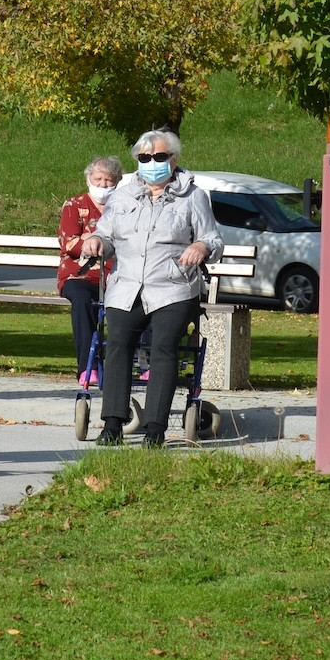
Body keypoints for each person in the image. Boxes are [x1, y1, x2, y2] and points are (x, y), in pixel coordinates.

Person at [80, 130, 222, 447]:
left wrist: (200, 245)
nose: (151, 163)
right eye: (145, 158)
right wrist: (95, 242)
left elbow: (213, 239)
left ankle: (156, 428)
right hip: (127, 286)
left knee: (163, 347)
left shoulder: (193, 196)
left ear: (173, 159)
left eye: (158, 157)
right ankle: (112, 425)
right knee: (116, 344)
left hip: (172, 287)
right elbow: (107, 235)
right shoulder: (123, 196)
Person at [58, 157, 123, 386]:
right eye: (98, 179)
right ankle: (88, 367)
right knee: (82, 299)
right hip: (80, 275)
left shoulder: (125, 206)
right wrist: (93, 242)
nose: (103, 185)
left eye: (109, 181)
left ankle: (136, 363)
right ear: (88, 180)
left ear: (118, 182)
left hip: (117, 275)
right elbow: (69, 243)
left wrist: (90, 239)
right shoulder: (74, 205)